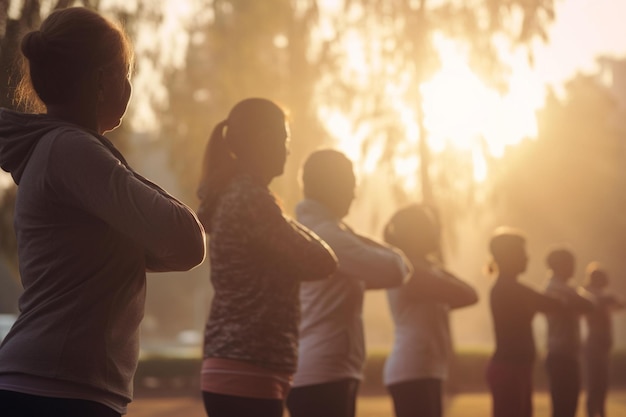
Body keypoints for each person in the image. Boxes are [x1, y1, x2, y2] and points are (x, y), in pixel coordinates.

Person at [0, 7, 206, 417]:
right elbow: (186, 238)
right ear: (101, 82)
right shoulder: (73, 151)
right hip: (56, 391)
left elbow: (177, 249)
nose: (129, 87)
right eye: (125, 72)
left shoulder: (63, 151)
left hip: (60, 386)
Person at [196, 99, 338, 417]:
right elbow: (323, 260)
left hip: (239, 367)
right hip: (247, 367)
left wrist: (283, 217)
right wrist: (292, 218)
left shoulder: (239, 194)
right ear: (263, 139)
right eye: (284, 139)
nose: (288, 150)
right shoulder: (251, 199)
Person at [286, 149, 412, 417]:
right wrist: (354, 236)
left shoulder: (316, 232)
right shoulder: (330, 236)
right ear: (333, 186)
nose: (355, 194)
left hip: (322, 372)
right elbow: (398, 269)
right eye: (351, 185)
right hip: (325, 374)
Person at [382, 203, 479, 417]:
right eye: (430, 227)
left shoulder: (426, 269)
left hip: (426, 369)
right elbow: (468, 294)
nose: (436, 233)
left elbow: (467, 296)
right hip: (413, 370)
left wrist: (433, 265)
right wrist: (435, 267)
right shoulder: (412, 272)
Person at [486, 228, 563, 417]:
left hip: (515, 368)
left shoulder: (509, 287)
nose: (527, 257)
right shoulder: (510, 289)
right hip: (509, 371)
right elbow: (555, 304)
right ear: (508, 256)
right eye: (522, 253)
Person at [543, 247, 595, 417]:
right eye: (570, 264)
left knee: (567, 405)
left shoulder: (565, 289)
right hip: (560, 354)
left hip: (567, 354)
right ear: (560, 266)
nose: (573, 268)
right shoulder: (556, 288)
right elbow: (588, 305)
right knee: (563, 406)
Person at [582, 263, 624, 417]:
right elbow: (606, 301)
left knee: (601, 383)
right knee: (595, 383)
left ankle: (600, 412)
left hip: (602, 343)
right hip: (595, 343)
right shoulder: (591, 295)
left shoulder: (600, 295)